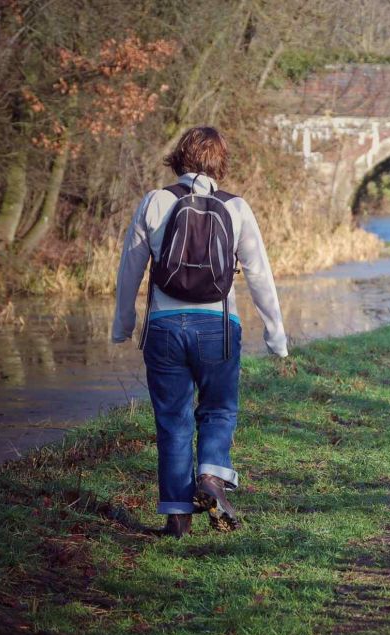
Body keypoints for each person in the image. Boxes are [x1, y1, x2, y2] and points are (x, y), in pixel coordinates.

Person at [112, 126, 288, 538]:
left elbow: (130, 270)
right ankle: (211, 477)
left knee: (173, 420)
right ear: (220, 164)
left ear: (179, 158)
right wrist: (275, 336)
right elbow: (260, 274)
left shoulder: (155, 201)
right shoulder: (236, 207)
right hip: (218, 327)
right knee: (219, 409)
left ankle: (178, 520)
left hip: (164, 328)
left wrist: (123, 324)